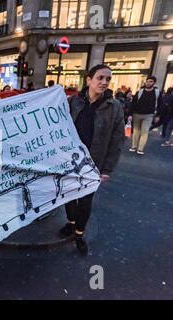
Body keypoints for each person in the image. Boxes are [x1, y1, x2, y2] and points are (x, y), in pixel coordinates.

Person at [59, 64, 125, 256]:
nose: (104, 82)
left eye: (108, 79)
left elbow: (117, 140)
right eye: (100, 78)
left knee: (85, 200)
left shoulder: (115, 107)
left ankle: (79, 234)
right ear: (88, 80)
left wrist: (107, 169)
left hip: (93, 164)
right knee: (68, 195)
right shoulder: (73, 102)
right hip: (70, 161)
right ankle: (71, 223)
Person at [128, 76, 163, 155]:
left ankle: (140, 149)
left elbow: (160, 104)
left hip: (149, 115)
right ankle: (134, 146)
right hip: (137, 114)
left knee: (145, 131)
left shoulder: (157, 93)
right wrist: (130, 114)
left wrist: (158, 115)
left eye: (150, 81)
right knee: (136, 131)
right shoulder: (139, 92)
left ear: (154, 83)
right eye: (147, 81)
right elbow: (133, 104)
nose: (148, 83)